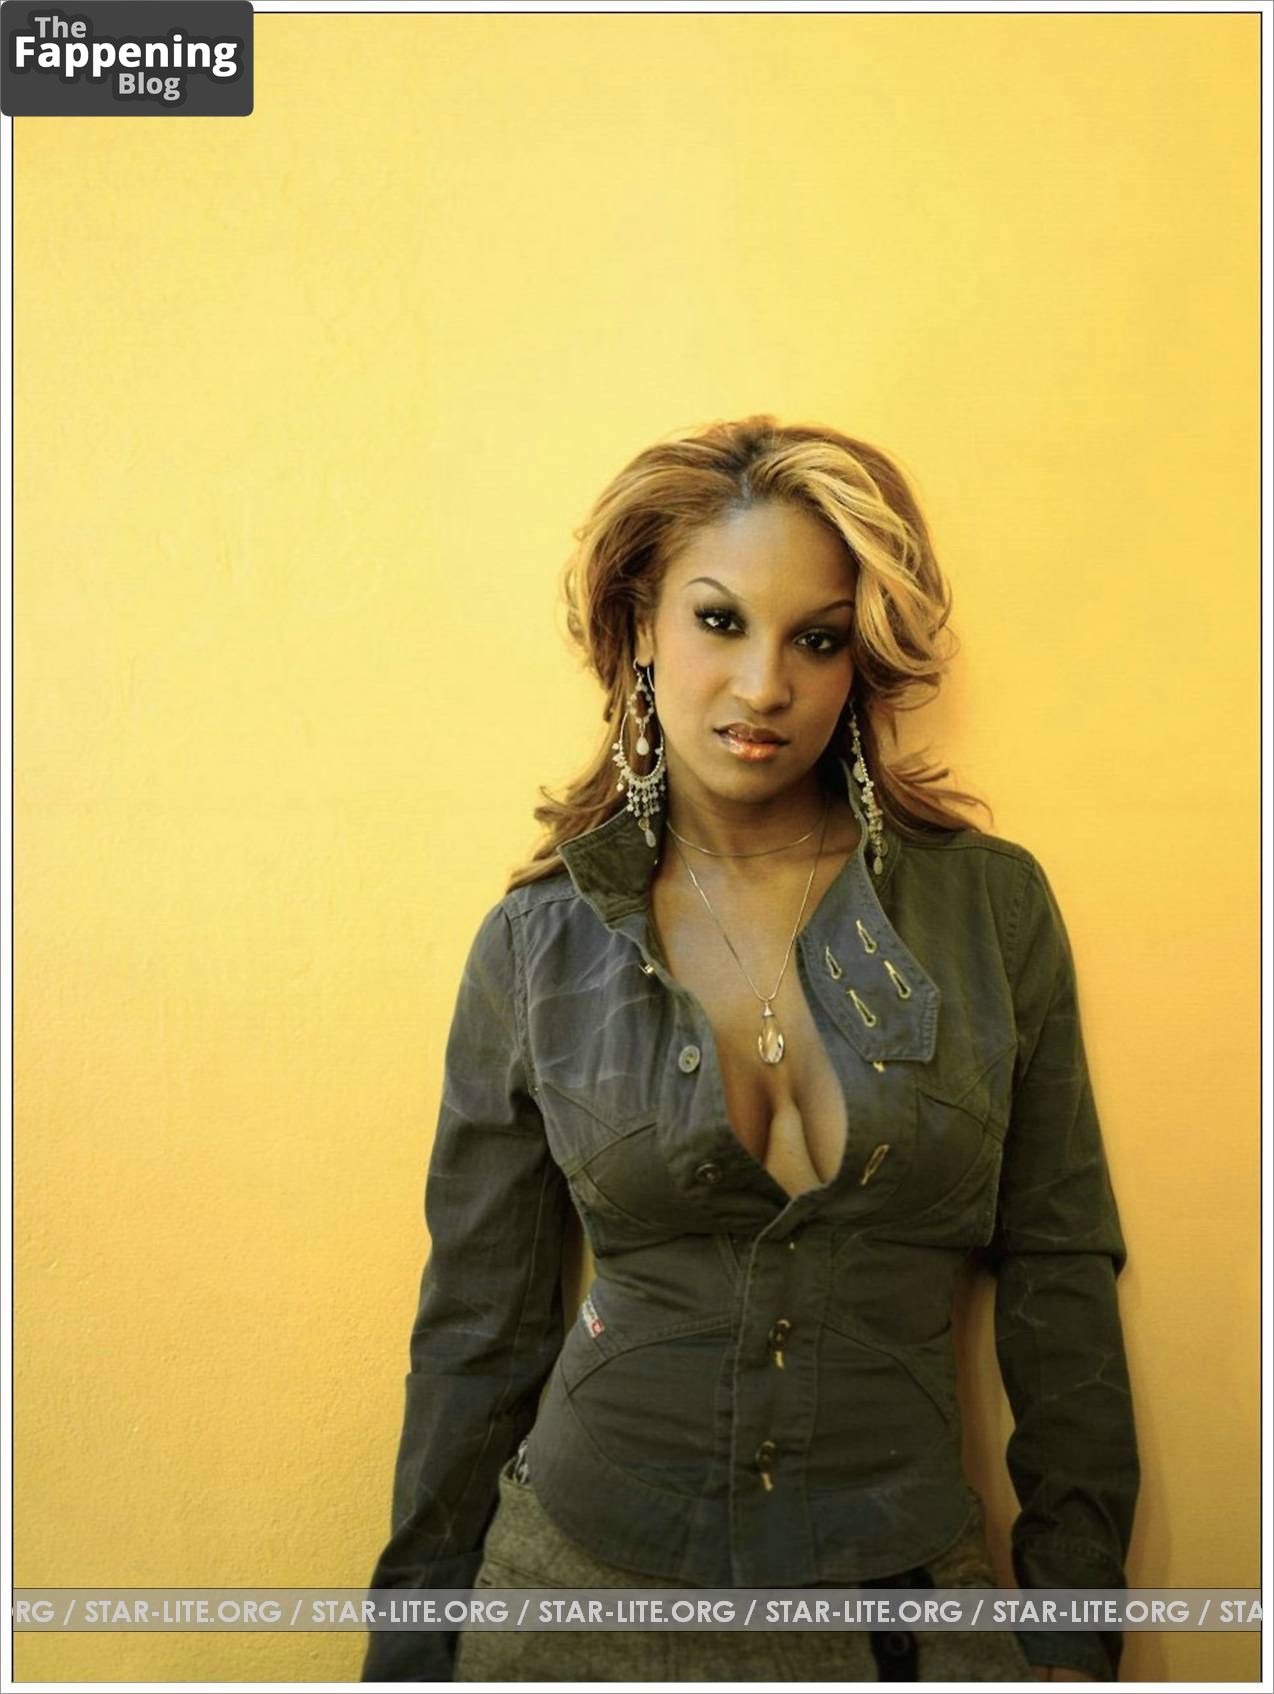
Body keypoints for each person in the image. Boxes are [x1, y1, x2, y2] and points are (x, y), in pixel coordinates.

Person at [360, 416, 1139, 1683]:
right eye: (718, 621)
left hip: (898, 1611)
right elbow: (474, 1332)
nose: (764, 684)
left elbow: (1058, 1277)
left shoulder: (988, 911)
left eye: (815, 638)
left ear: (858, 656)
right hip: (571, 1607)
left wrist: (1072, 1637)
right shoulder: (538, 943)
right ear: (639, 626)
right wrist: (406, 1657)